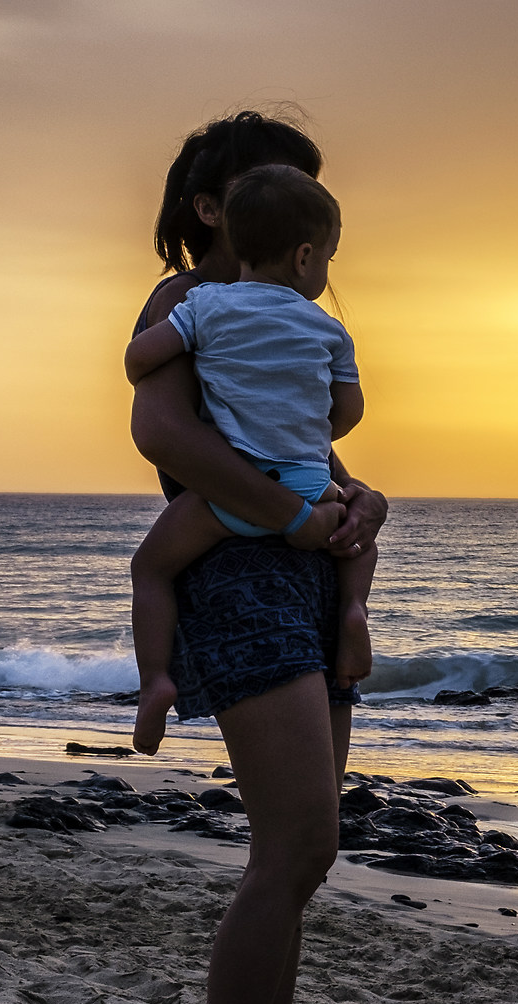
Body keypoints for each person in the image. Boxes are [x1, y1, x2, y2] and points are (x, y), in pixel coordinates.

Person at [131, 110, 387, 1004]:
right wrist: (289, 514)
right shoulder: (187, 300)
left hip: (306, 574)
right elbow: (164, 432)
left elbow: (307, 438)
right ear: (211, 207)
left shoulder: (287, 312)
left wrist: (356, 496)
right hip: (240, 574)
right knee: (296, 842)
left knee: (303, 855)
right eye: (275, 183)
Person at [124, 163, 373, 757]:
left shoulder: (205, 305)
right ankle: (353, 611)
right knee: (359, 541)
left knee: (151, 569)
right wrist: (303, 424)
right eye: (330, 258)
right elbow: (348, 413)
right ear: (306, 257)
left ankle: (156, 680)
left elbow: (138, 359)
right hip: (312, 483)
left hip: (235, 492)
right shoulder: (330, 330)